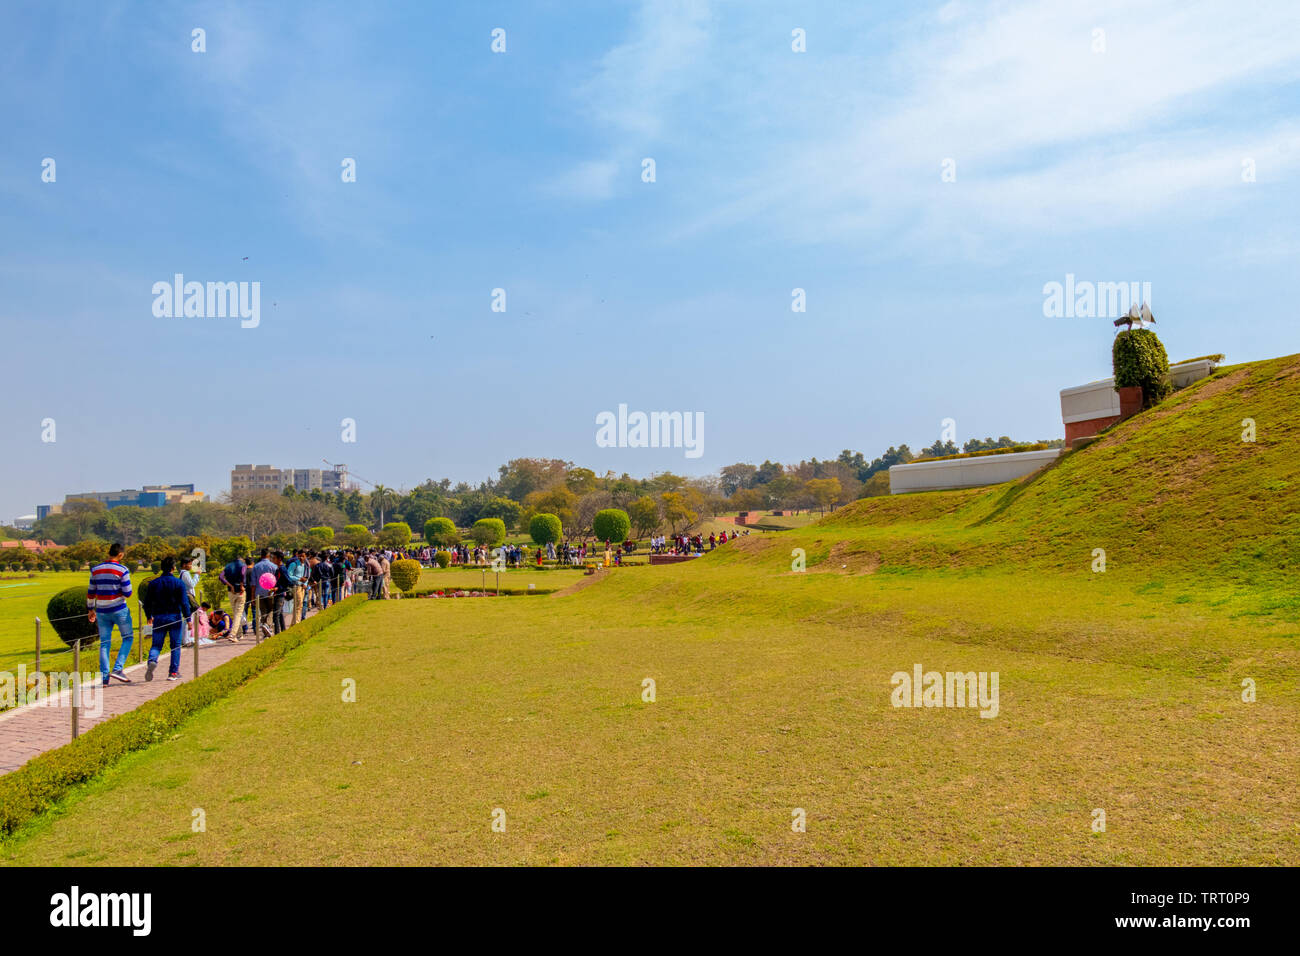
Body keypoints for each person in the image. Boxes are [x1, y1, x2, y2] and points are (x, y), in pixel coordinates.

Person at [87, 542, 135, 686]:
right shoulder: (122, 570)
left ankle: (104, 678)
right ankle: (118, 668)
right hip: (119, 608)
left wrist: (90, 610)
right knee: (128, 637)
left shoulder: (95, 570)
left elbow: (90, 592)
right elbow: (128, 593)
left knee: (105, 643)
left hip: (101, 610)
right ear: (120, 554)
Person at [141, 555, 191, 682]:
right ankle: (173, 672)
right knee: (175, 646)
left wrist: (148, 615)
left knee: (156, 645)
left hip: (159, 617)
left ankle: (152, 660)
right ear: (173, 568)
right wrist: (189, 619)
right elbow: (184, 603)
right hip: (175, 617)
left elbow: (147, 602)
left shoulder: (153, 583)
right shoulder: (179, 583)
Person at [220, 555, 247, 643]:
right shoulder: (243, 565)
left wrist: (230, 585)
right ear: (241, 559)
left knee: (235, 613)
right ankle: (233, 634)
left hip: (231, 591)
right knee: (238, 613)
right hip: (240, 591)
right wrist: (242, 584)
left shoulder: (228, 566)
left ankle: (239, 634)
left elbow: (221, 577)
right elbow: (243, 574)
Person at [252, 549, 278, 637]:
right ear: (268, 555)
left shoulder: (256, 567)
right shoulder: (274, 566)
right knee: (271, 609)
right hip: (271, 591)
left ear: (261, 555)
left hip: (259, 592)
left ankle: (265, 630)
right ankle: (267, 625)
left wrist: (253, 597)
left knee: (263, 611)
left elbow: (253, 583)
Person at [179, 555, 201, 646]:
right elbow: (192, 584)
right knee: (188, 619)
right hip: (188, 597)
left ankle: (186, 639)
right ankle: (186, 640)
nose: (191, 566)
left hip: (186, 596)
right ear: (184, 565)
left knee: (188, 618)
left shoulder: (182, 573)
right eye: (189, 564)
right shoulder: (185, 573)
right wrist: (197, 575)